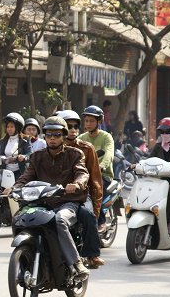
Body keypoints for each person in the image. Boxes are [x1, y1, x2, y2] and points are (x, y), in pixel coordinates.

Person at [14, 116, 90, 278]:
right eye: (49, 135)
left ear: (63, 136)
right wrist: (15, 188)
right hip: (42, 203)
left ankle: (76, 263)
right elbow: (26, 176)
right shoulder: (37, 156)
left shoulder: (75, 154)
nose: (52, 138)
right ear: (44, 137)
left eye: (56, 135)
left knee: (60, 220)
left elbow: (82, 173)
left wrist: (76, 184)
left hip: (67, 202)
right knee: (20, 218)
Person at [57, 110, 105, 268]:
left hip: (81, 195)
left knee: (88, 215)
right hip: (55, 195)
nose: (72, 129)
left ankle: (92, 255)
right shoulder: (50, 147)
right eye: (68, 126)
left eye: (75, 126)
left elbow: (95, 180)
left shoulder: (86, 148)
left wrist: (96, 210)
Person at [79, 105, 114, 233]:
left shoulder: (106, 137)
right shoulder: (81, 138)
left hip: (103, 174)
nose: (88, 124)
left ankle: (101, 220)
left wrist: (101, 166)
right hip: (84, 174)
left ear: (99, 122)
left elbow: (109, 154)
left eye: (92, 121)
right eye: (86, 121)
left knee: (94, 191)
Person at [0, 112, 31, 180]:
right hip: (5, 172)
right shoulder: (3, 141)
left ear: (17, 127)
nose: (9, 129)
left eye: (12, 126)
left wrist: (24, 157)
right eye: (8, 127)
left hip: (20, 172)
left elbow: (31, 154)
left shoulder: (25, 139)